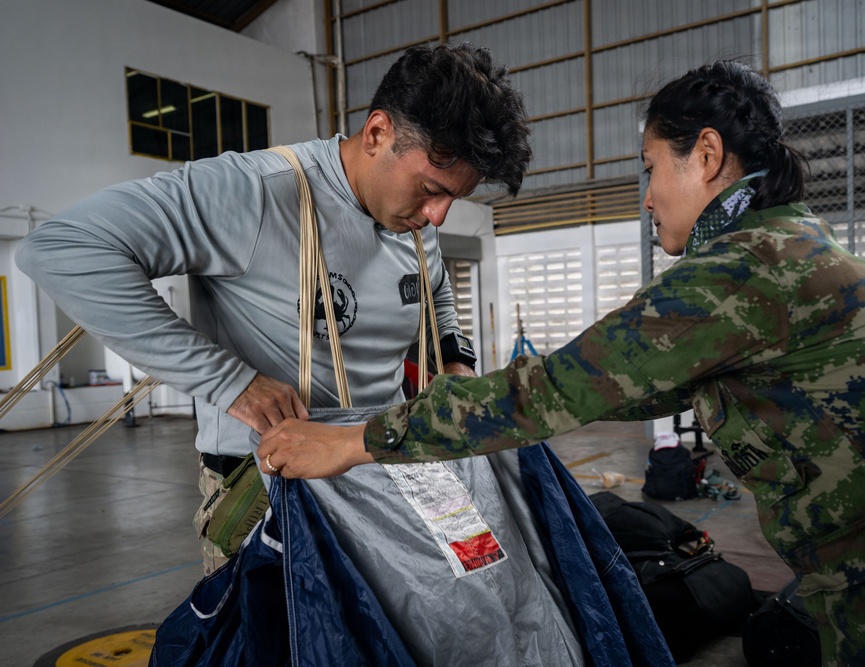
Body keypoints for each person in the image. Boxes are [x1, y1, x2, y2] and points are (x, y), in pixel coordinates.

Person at [259, 60, 865, 666]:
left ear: (706, 155)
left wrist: (355, 441)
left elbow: (557, 390)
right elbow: (611, 390)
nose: (646, 197)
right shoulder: (785, 247)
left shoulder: (742, 273)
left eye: (651, 168)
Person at [15, 42, 528, 575]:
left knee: (421, 613)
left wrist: (454, 360)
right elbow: (61, 249)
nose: (439, 216)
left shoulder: (412, 223)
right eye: (430, 190)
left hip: (383, 454)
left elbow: (436, 286)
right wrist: (229, 381)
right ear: (378, 133)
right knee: (283, 636)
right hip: (272, 475)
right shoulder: (253, 192)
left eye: (453, 198)